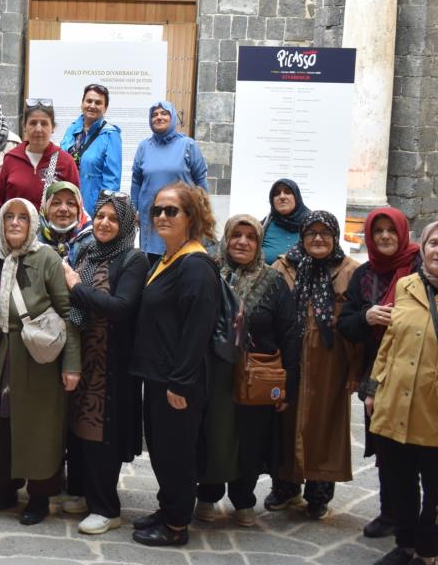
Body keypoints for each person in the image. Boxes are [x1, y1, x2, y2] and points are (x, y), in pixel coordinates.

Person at [0, 197, 80, 525]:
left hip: (36, 359)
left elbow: (68, 313)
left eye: (22, 218)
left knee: (39, 428)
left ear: (32, 223)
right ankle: (3, 489)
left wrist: (72, 364)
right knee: (0, 426)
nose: (14, 222)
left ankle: (40, 496)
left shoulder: (47, 260)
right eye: (8, 217)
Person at [129, 182, 219, 547]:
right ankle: (168, 508)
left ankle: (177, 524)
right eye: (157, 210)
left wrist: (180, 383)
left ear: (191, 217)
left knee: (177, 453)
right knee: (163, 451)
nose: (162, 216)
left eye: (171, 211)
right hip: (158, 376)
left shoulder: (196, 266)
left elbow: (197, 331)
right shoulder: (169, 259)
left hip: (177, 382)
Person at [195, 215, 300, 527]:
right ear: (226, 240)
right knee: (213, 435)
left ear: (258, 244)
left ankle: (244, 499)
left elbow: (290, 335)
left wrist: (288, 386)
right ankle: (208, 493)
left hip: (257, 376)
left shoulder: (274, 283)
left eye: (250, 237)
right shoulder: (210, 275)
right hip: (215, 375)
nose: (242, 242)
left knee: (251, 440)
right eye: (236, 235)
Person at [367, 221, 438, 565]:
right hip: (395, 405)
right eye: (433, 242)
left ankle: (426, 553)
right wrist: (374, 387)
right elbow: (390, 341)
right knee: (400, 485)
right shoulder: (407, 285)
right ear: (423, 248)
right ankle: (405, 545)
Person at [58, 190, 148, 534]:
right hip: (83, 358)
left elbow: (121, 307)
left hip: (110, 365)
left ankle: (107, 507)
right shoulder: (87, 251)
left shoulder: (133, 259)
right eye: (100, 217)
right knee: (79, 430)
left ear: (125, 224)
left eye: (113, 218)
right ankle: (82, 492)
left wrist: (76, 285)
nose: (104, 223)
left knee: (101, 434)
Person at [268, 211, 362, 520]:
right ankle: (285, 487)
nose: (318, 239)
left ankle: (319, 494)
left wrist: (354, 371)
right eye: (311, 233)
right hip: (291, 362)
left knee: (326, 426)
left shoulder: (350, 271)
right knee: (285, 424)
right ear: (302, 236)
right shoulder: (285, 266)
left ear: (335, 236)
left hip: (330, 366)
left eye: (325, 233)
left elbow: (357, 327)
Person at [339, 207, 421, 539]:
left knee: (424, 449)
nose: (385, 236)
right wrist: (367, 317)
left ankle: (436, 521)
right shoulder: (364, 275)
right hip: (379, 374)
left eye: (391, 230)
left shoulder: (422, 267)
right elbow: (345, 324)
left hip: (419, 372)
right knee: (386, 448)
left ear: (403, 232)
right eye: (378, 231)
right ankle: (391, 514)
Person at [130, 101, 209, 260]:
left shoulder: (188, 146)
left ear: (173, 117)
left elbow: (201, 182)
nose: (159, 117)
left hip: (180, 217)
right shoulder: (144, 147)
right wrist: (134, 209)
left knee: (180, 259)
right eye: (154, 114)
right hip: (152, 218)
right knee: (153, 263)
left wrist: (203, 213)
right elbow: (136, 181)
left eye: (164, 113)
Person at [0, 100, 79, 207]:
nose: (38, 129)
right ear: (24, 126)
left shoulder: (66, 161)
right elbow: (0, 202)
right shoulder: (11, 158)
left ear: (52, 127)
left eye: (44, 124)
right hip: (17, 223)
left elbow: (75, 202)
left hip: (50, 224)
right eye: (33, 123)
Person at [61, 83, 122, 215]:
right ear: (82, 104)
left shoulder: (111, 135)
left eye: (98, 102)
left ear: (105, 108)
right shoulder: (71, 130)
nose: (92, 105)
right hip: (66, 205)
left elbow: (112, 180)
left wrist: (103, 211)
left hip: (91, 208)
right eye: (89, 101)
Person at [37, 181, 91, 265]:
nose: (63, 209)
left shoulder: (92, 243)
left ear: (79, 210)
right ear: (46, 209)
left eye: (70, 203)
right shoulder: (32, 241)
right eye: (56, 203)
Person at [262, 179, 312, 265]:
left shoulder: (312, 224)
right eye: (276, 193)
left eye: (288, 192)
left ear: (297, 197)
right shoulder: (263, 226)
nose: (282, 197)